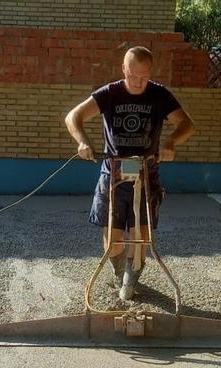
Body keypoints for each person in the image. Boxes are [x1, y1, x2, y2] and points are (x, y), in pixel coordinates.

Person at [64, 46, 195, 300]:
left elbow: (187, 124)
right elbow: (73, 117)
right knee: (113, 234)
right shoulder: (110, 93)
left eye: (144, 76)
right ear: (124, 69)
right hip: (112, 173)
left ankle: (131, 279)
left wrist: (170, 144)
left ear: (151, 73)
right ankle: (118, 272)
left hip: (146, 173)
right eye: (133, 75)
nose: (138, 82)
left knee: (140, 233)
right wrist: (83, 141)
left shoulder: (159, 95)